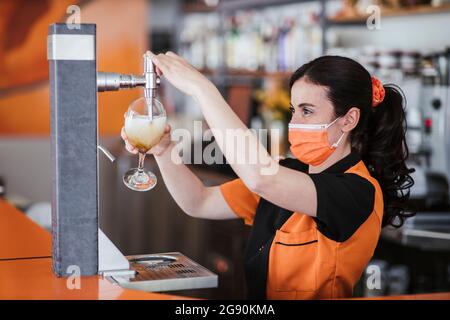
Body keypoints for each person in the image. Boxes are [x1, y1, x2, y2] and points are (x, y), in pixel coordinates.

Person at [121, 53, 414, 300]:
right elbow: (198, 201)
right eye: (293, 110)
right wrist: (163, 150)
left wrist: (202, 89)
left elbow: (261, 178)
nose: (294, 122)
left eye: (307, 111)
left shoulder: (357, 191)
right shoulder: (288, 171)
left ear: (349, 119)